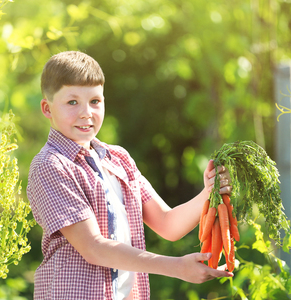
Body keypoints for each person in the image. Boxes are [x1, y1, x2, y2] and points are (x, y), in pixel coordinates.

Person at [27, 51, 233, 300]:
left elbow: (167, 224)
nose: (86, 113)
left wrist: (208, 193)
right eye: (72, 102)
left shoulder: (119, 159)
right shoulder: (51, 165)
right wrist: (177, 267)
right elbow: (94, 248)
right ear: (47, 108)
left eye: (95, 101)